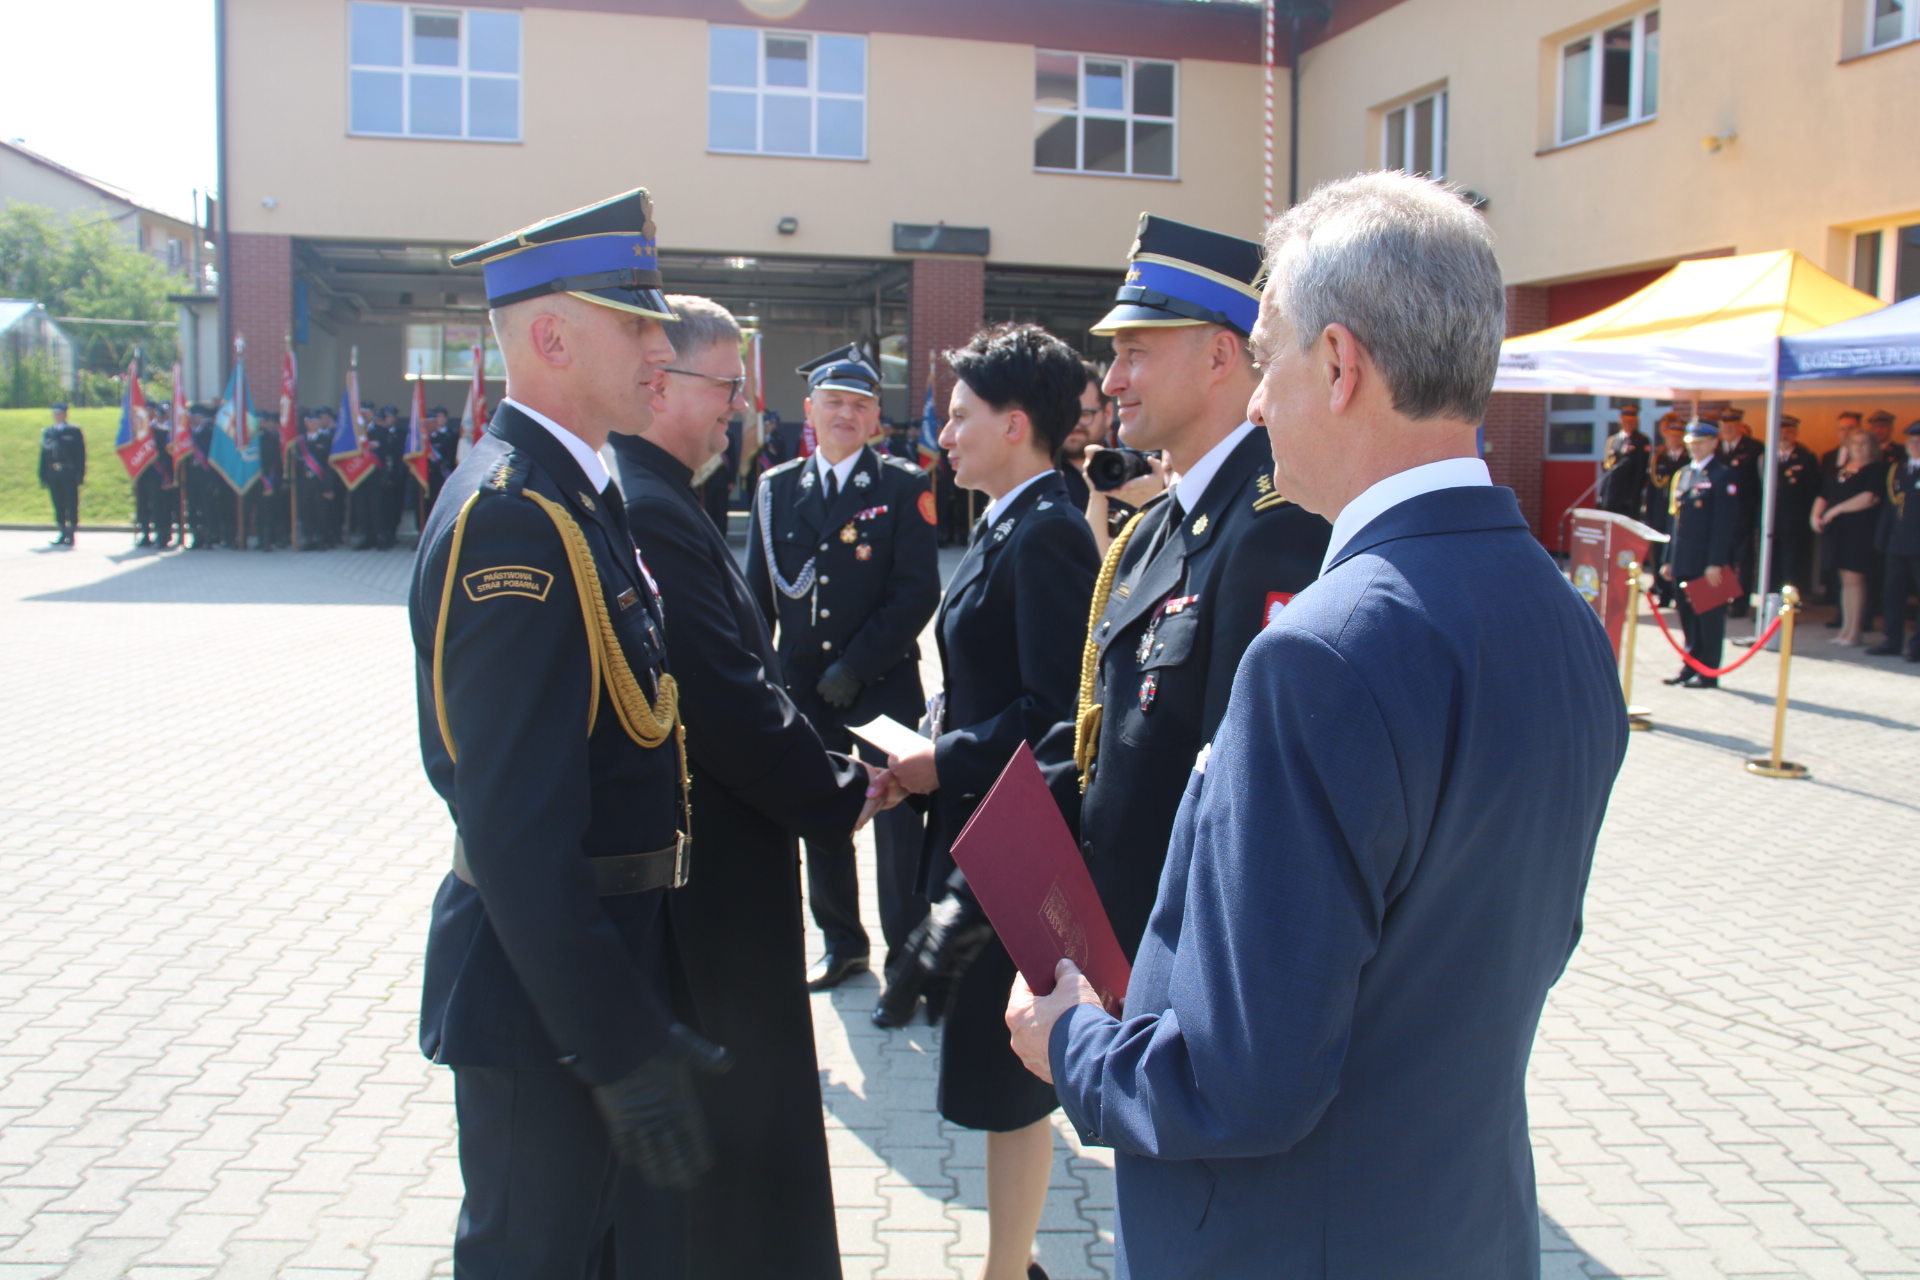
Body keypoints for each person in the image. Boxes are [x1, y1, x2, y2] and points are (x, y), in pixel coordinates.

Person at [1010, 172, 1628, 1280]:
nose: (1255, 404)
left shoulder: (1321, 652)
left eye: (1268, 357)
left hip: (1289, 1237)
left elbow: (1240, 1078)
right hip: (1457, 1223)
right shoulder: (1562, 616)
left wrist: (1073, 1044)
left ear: (1339, 365)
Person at [415, 189, 727, 1278]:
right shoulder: (514, 518)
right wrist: (615, 1043)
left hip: (594, 967)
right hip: (539, 1000)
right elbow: (513, 828)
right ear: (550, 339)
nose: (661, 346)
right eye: (635, 324)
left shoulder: (577, 495)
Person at [608, 297, 892, 1280]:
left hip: (724, 852)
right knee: (743, 1153)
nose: (739, 408)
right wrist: (846, 790)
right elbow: (728, 702)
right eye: (727, 387)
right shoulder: (650, 506)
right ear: (660, 382)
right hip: (716, 880)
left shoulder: (663, 495)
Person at [872, 323, 1098, 1280]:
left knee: (1011, 1081)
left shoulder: (1048, 533)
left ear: (1015, 424)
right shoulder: (1014, 518)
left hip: (1014, 844)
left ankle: (1010, 1270)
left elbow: (1056, 715)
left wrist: (943, 759)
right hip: (981, 828)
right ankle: (1011, 1265)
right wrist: (929, 744)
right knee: (1001, 1078)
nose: (945, 435)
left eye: (961, 416)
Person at [1053, 213, 1330, 967]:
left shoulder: (1277, 524)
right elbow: (1106, 738)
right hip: (1122, 941)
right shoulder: (1157, 525)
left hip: (1182, 966)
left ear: (1219, 356)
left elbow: (1246, 806)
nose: (1111, 382)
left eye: (1135, 353)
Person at [747, 342, 942, 993]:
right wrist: (765, 683)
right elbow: (756, 599)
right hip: (804, 687)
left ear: (875, 418)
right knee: (822, 816)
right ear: (809, 410)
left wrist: (856, 667)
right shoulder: (776, 489)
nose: (846, 414)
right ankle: (842, 945)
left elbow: (916, 591)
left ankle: (907, 955)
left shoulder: (903, 486)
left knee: (900, 826)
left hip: (883, 683)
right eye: (833, 402)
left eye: (860, 405)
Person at [1815, 429, 1886, 646]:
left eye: (1864, 442)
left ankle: (1855, 631)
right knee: (1844, 580)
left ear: (1872, 446)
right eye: (1855, 442)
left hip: (1860, 532)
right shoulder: (1840, 470)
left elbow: (1869, 497)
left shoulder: (1877, 469)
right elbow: (1824, 494)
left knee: (1855, 579)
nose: (1859, 446)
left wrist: (1837, 509)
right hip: (1838, 532)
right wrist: (1815, 515)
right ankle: (1845, 629)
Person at [1716, 407, 1763, 617]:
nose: (1728, 429)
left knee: (1743, 560)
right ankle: (1721, 600)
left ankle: (1740, 603)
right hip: (1720, 513)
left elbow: (1760, 482)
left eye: (1733, 426)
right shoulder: (1715, 447)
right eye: (1725, 426)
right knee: (1722, 559)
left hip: (1744, 512)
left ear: (1740, 427)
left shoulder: (1754, 448)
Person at [1770, 414, 1820, 593]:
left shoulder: (1806, 457)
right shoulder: (1766, 456)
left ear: (1796, 433)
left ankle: (1791, 602)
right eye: (1781, 432)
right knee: (1771, 563)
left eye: (1789, 432)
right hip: (1771, 520)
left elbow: (1812, 490)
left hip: (1794, 521)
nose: (1784, 436)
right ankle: (1772, 600)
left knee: (1791, 564)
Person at [1642, 412, 1689, 601]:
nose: (1674, 439)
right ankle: (1662, 591)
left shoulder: (1688, 458)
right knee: (1658, 554)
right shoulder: (1659, 457)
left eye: (1678, 436)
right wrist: (1648, 514)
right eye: (1671, 436)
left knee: (1677, 553)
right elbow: (1652, 488)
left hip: (1679, 514)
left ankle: (1677, 593)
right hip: (1660, 512)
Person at [1055, 362, 1111, 514]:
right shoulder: (1039, 477)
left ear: (1108, 413)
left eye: (1084, 414)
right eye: (1065, 415)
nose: (1074, 424)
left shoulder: (1132, 472)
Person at [39, 402, 86, 547]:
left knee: (71, 503)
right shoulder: (48, 432)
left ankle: (71, 533)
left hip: (68, 472)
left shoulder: (74, 431)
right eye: (55, 413)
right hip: (53, 472)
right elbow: (44, 455)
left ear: (65, 414)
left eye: (60, 413)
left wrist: (80, 474)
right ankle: (62, 531)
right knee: (58, 503)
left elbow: (80, 455)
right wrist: (42, 474)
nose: (57, 416)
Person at [1598, 404, 1651, 516]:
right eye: (1626, 420)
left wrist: (1635, 496)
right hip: (1611, 495)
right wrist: (1603, 494)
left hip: (1628, 496)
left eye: (1632, 421)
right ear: (1620, 420)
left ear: (1637, 422)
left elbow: (1641, 470)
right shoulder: (1613, 440)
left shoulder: (1641, 440)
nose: (1629, 423)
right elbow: (1608, 469)